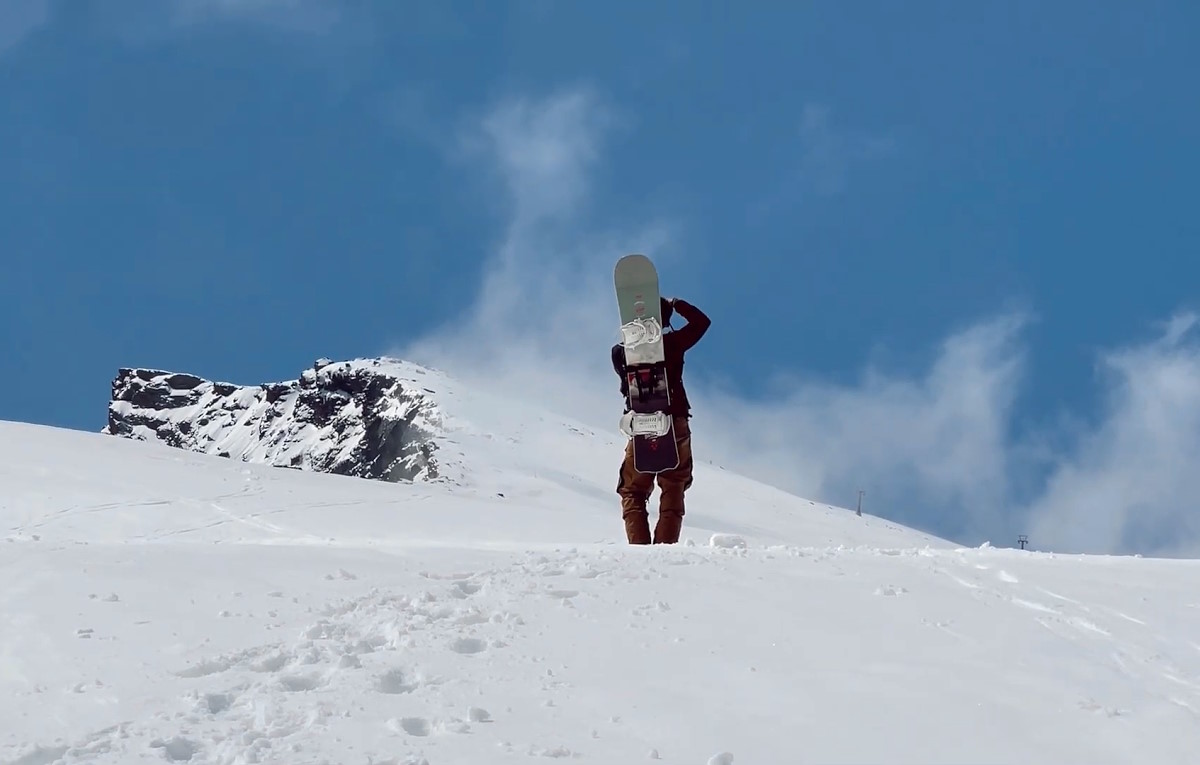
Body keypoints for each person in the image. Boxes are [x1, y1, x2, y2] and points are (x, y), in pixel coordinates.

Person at [611, 295, 711, 544]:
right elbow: (701, 322)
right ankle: (666, 547)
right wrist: (677, 303)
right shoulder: (674, 343)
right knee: (674, 483)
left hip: (642, 423)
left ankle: (639, 547)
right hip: (675, 421)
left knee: (633, 490)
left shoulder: (620, 352)